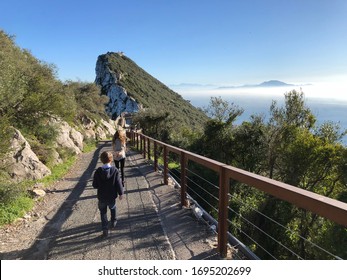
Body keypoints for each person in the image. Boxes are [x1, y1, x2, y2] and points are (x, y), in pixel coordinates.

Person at [93, 151, 124, 237]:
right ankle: (113, 221)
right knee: (113, 208)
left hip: (102, 197)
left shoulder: (98, 171)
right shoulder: (115, 170)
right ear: (111, 160)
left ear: (101, 160)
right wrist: (121, 193)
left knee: (103, 212)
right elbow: (118, 183)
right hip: (111, 196)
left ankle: (105, 229)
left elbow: (94, 185)